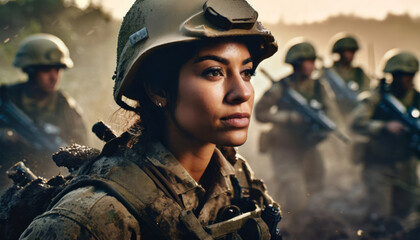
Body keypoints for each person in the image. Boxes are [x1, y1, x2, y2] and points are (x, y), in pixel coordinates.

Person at [19, 0, 281, 239]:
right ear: (158, 89)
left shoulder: (238, 179)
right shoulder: (90, 219)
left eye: (246, 73)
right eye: (214, 72)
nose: (243, 92)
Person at [255, 38, 341, 232]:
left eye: (313, 61)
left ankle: (305, 227)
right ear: (297, 63)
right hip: (284, 148)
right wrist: (287, 117)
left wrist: (322, 127)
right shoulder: (282, 88)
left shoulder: (319, 87)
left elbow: (331, 114)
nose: (312, 66)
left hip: (308, 146)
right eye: (307, 61)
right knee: (295, 195)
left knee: (316, 187)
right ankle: (282, 227)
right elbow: (260, 113)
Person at [0, 34, 88, 190]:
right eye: (46, 69)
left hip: (51, 188)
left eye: (58, 69)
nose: (53, 76)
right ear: (30, 70)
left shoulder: (67, 109)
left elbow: (84, 155)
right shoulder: (6, 99)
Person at [352, 49, 419, 220]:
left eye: (412, 75)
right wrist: (383, 126)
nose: (410, 80)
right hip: (378, 164)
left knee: (405, 211)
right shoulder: (376, 98)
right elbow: (357, 124)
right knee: (380, 214)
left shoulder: (416, 98)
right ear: (394, 77)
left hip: (406, 165)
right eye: (405, 75)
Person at [324, 33, 370, 116]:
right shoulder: (328, 73)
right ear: (339, 52)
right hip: (336, 112)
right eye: (347, 51)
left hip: (357, 112)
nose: (350, 55)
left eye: (352, 51)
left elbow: (368, 91)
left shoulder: (359, 72)